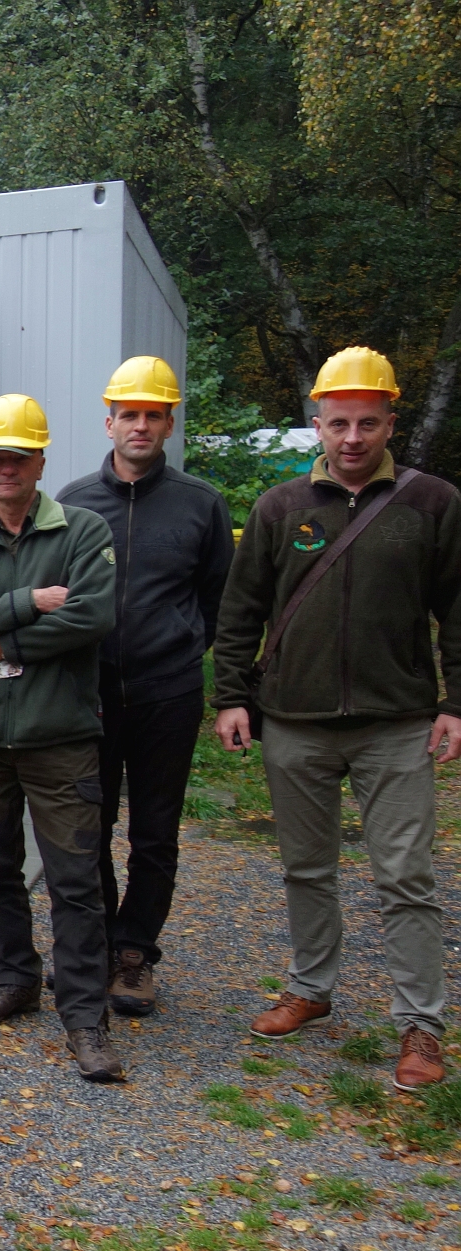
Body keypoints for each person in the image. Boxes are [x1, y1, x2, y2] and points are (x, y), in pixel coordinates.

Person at [213, 346, 461, 1092]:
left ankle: (421, 1024)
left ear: (391, 423)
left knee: (406, 875)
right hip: (295, 720)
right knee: (306, 867)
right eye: (338, 423)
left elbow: (458, 611)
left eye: (367, 423)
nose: (352, 438)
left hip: (397, 722)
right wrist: (232, 695)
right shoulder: (280, 507)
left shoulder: (434, 504)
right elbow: (241, 609)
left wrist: (455, 703)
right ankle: (311, 988)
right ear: (316, 424)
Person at [0, 393, 120, 1081]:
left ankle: (85, 1017)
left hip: (59, 738)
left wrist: (2, 642)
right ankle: (16, 973)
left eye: (20, 456)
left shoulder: (82, 532)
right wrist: (30, 602)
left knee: (75, 880)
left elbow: (92, 618)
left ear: (40, 462)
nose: (6, 468)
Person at [56, 357, 233, 1016]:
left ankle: (134, 954)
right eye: (128, 414)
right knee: (90, 825)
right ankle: (98, 942)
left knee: (155, 833)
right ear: (109, 423)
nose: (140, 426)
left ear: (168, 424)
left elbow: (217, 599)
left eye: (152, 415)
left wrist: (180, 647)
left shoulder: (200, 504)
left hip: (168, 693)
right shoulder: (75, 502)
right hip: (92, 693)